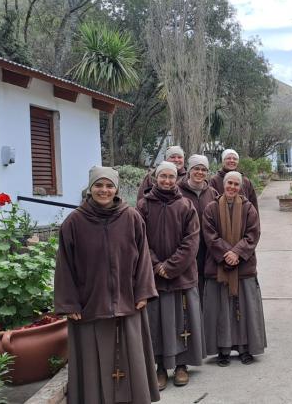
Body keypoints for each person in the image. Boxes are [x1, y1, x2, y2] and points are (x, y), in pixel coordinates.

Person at [54, 166, 159, 404]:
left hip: (128, 300)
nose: (104, 190)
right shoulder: (74, 223)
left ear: (117, 189)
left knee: (131, 361)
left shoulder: (131, 217)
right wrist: (70, 303)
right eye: (99, 185)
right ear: (90, 188)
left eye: (109, 185)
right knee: (92, 365)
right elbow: (65, 266)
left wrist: (143, 290)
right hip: (90, 304)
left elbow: (143, 256)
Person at [137, 161, 205, 390]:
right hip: (154, 277)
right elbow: (139, 240)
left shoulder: (186, 205)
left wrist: (172, 267)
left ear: (177, 179)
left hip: (181, 277)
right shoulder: (144, 206)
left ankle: (181, 365)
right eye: (162, 176)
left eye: (171, 177)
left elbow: (192, 240)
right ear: (155, 178)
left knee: (182, 321)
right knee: (157, 323)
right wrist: (157, 266)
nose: (167, 180)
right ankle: (160, 367)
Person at [202, 171, 266, 367]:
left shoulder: (249, 209)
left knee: (246, 309)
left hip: (244, 266)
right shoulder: (211, 208)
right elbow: (209, 236)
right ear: (223, 184)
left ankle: (245, 347)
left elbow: (253, 234)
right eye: (229, 183)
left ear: (240, 187)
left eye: (236, 184)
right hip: (218, 266)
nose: (232, 187)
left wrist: (237, 253)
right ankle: (223, 349)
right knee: (221, 310)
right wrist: (226, 254)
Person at [178, 154, 219, 289]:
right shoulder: (177, 192)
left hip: (207, 249)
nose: (200, 172)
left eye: (203, 169)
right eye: (196, 168)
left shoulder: (212, 193)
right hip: (185, 248)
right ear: (189, 170)